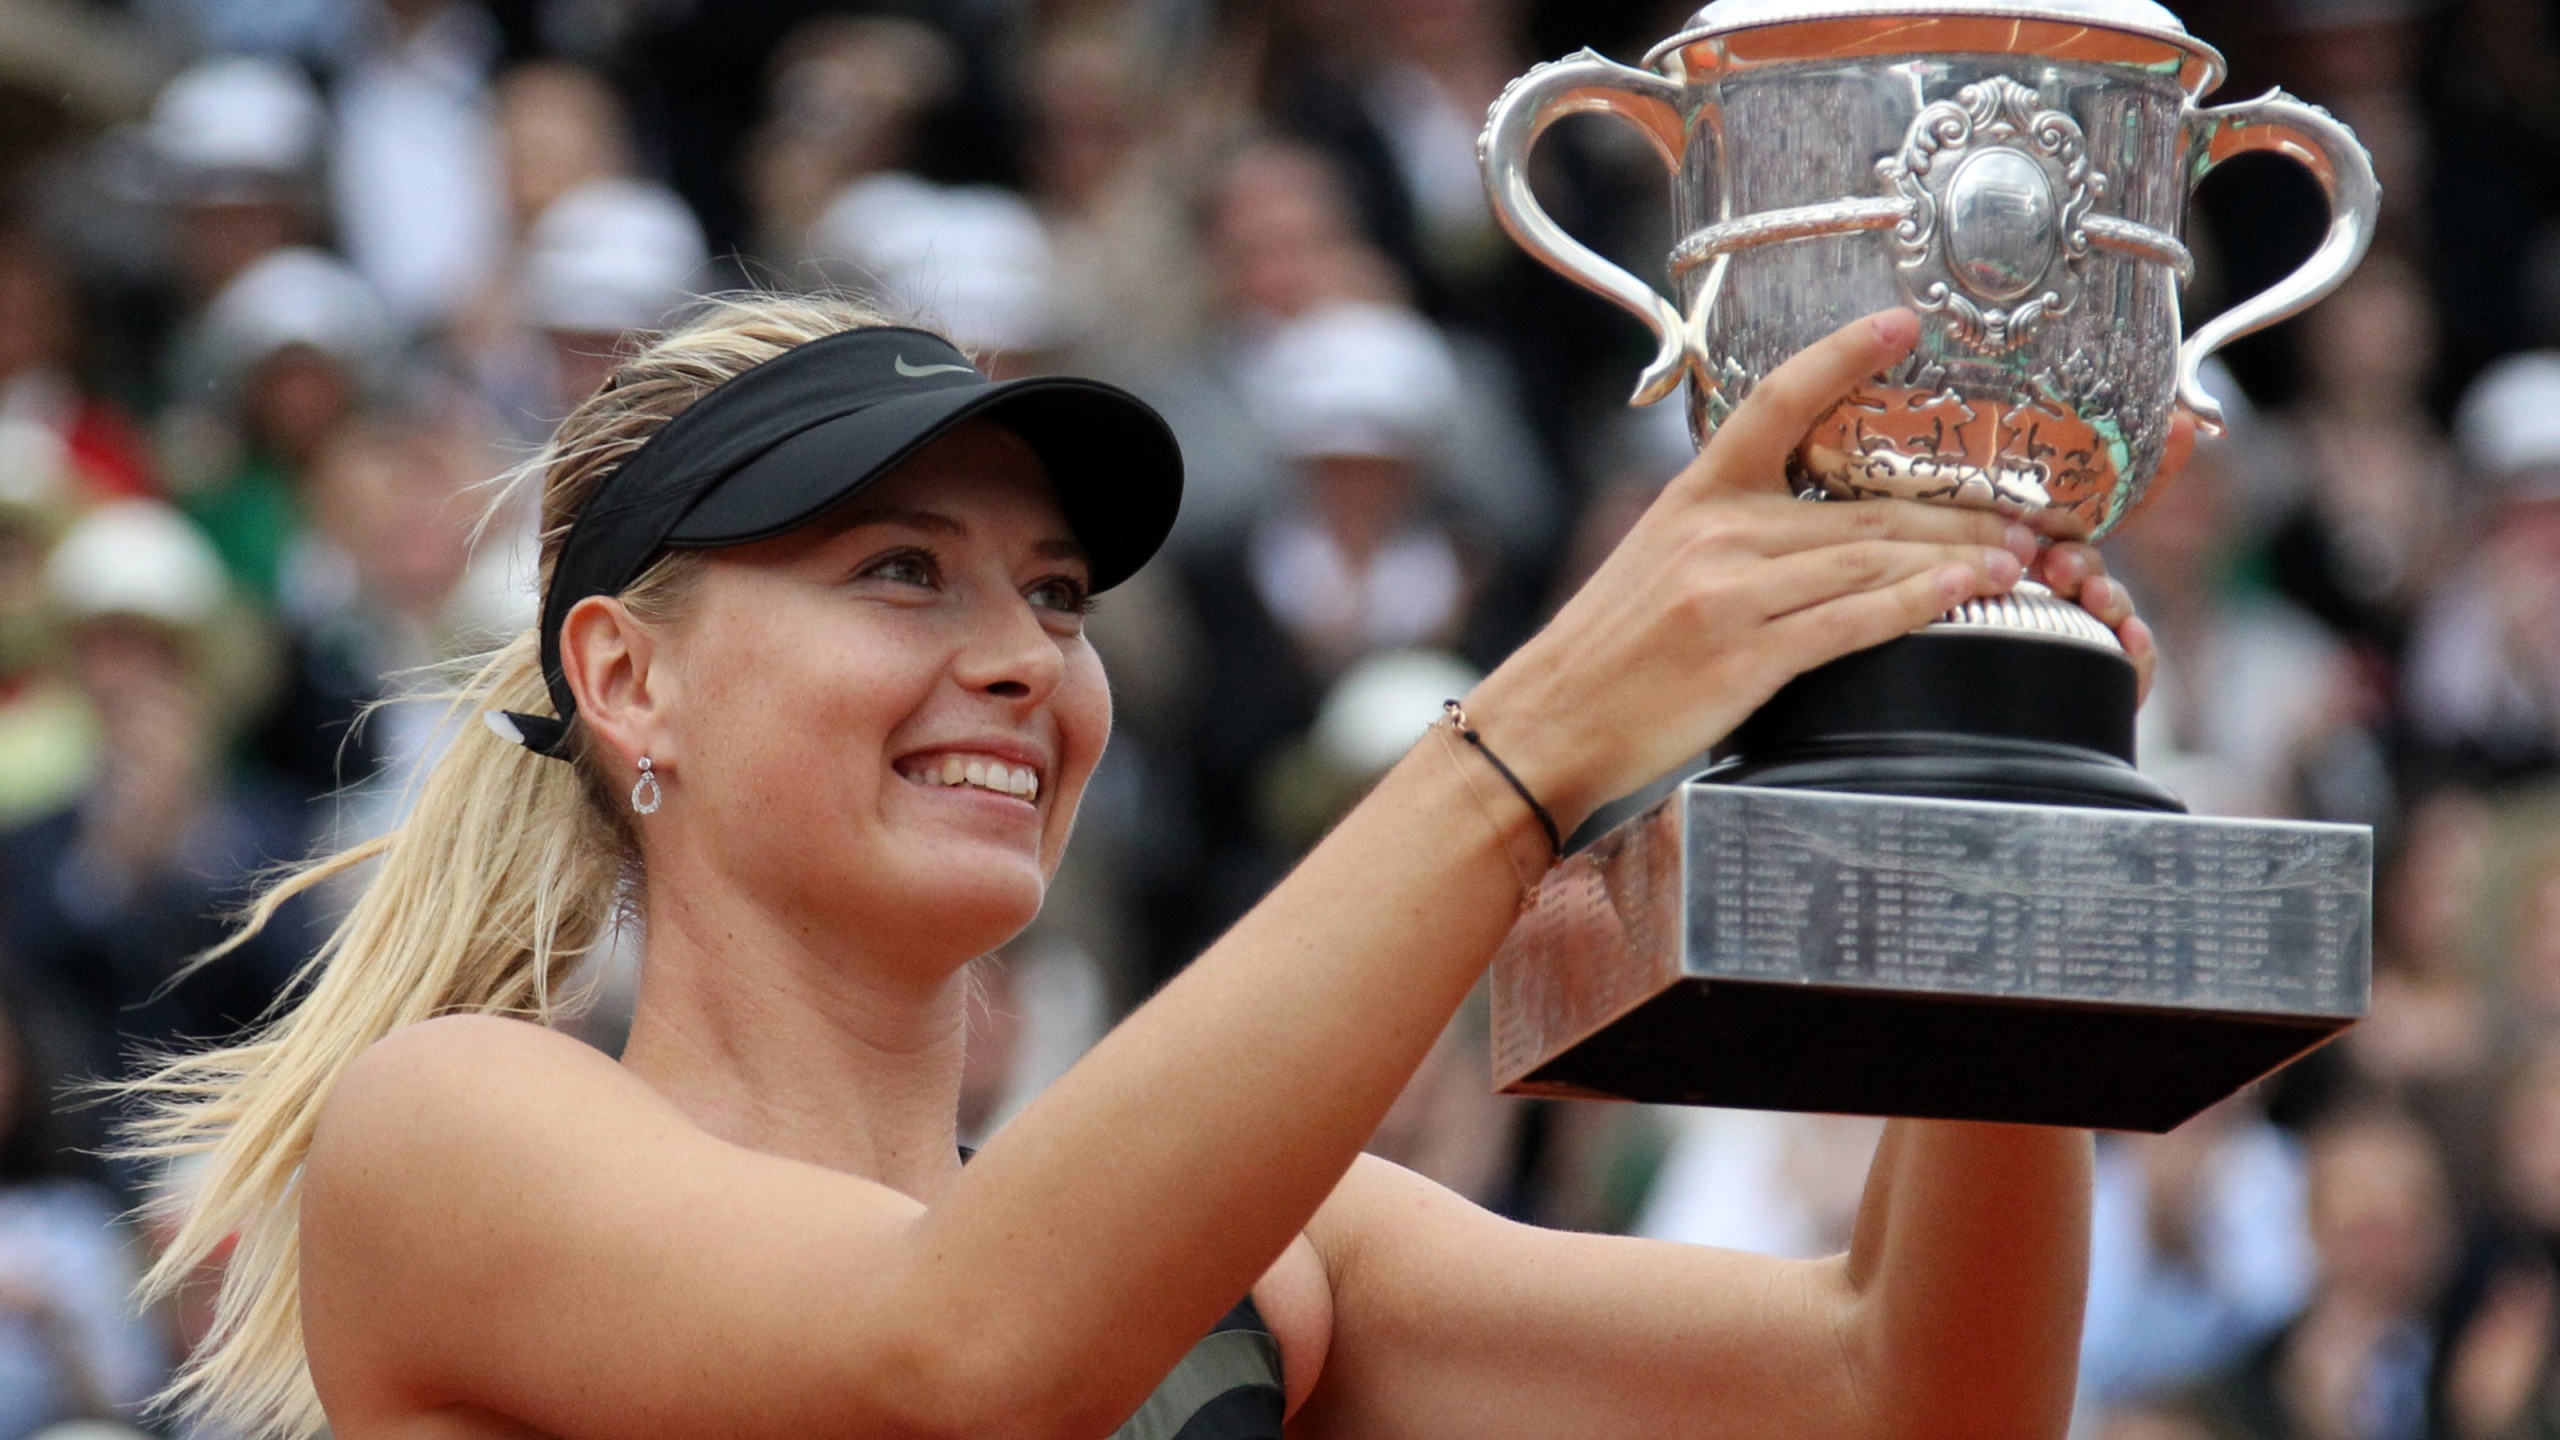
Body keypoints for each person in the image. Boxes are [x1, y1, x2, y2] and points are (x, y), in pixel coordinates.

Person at [124, 293, 2161, 1440]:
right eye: (898, 570)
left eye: (1058, 592)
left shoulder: (1284, 1254)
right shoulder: (453, 1132)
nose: (1020, 657)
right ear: (626, 678)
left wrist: (1980, 822)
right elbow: (956, 1358)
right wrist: (1533, 735)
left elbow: (1917, 1396)